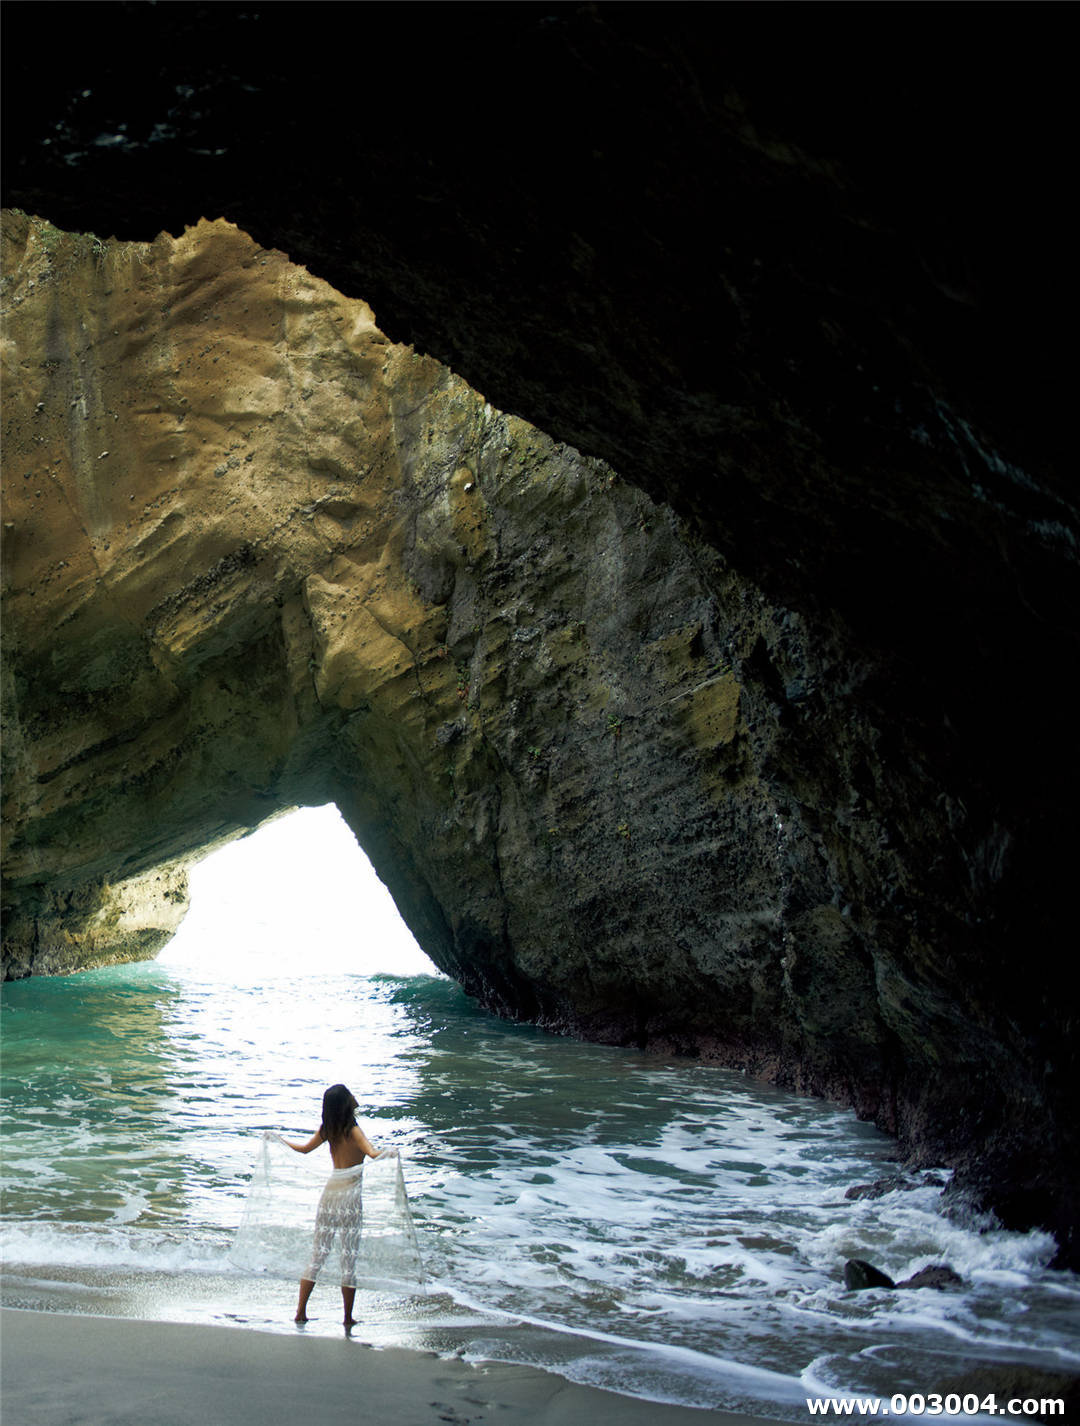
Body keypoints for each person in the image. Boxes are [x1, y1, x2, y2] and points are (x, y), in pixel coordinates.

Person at [281, 1083, 385, 1327]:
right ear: (347, 1102)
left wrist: (280, 1141)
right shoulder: (353, 1130)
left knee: (319, 1255)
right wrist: (390, 1153)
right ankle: (347, 1317)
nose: (355, 1095)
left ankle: (300, 1312)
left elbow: (305, 1149)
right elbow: (371, 1153)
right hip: (349, 1198)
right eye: (351, 1094)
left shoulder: (329, 1129)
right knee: (348, 1260)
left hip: (329, 1195)